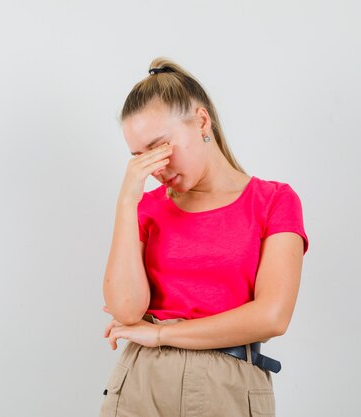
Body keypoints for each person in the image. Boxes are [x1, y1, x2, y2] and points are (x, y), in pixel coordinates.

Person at [99, 57, 309, 417]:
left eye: (160, 146)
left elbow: (272, 316)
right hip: (141, 383)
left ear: (200, 121)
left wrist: (162, 335)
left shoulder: (274, 201)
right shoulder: (145, 208)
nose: (156, 168)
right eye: (139, 158)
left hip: (227, 386)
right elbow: (126, 309)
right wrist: (126, 200)